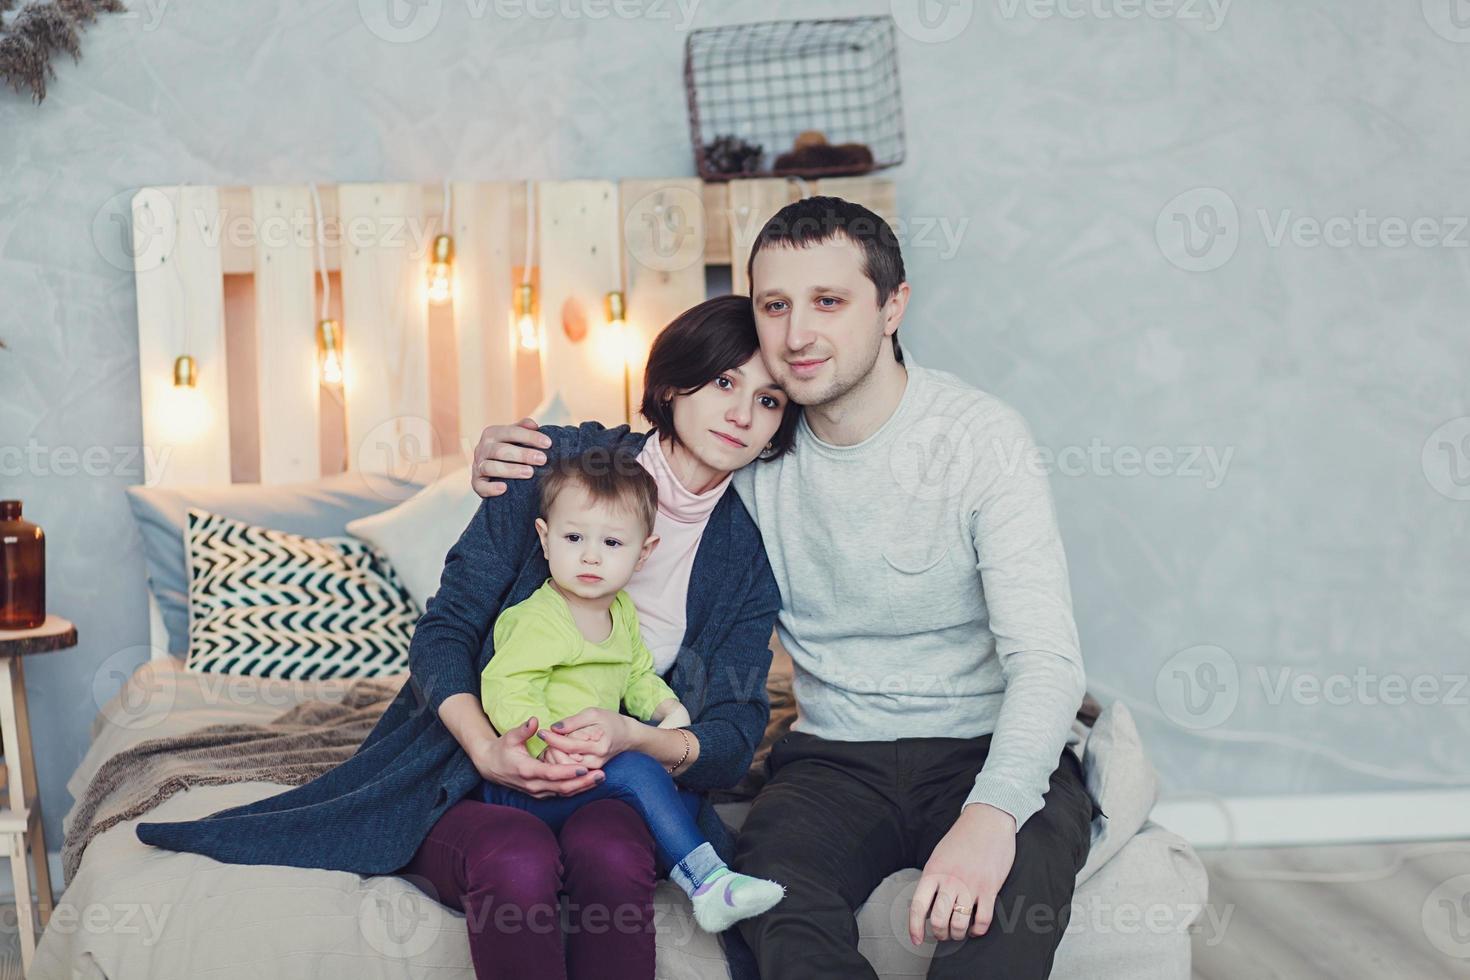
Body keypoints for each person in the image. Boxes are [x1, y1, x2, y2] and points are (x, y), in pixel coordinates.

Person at [470, 195, 1102, 980]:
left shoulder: (980, 440)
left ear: (893, 306)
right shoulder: (756, 449)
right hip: (833, 760)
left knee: (1001, 926)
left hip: (982, 742)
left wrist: (993, 814)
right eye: (775, 305)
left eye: (829, 302)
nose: (797, 335)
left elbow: (1047, 661)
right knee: (779, 913)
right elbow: (635, 461)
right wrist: (522, 450)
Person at [137, 293, 799, 980]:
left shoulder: (748, 551)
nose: (742, 413)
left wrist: (639, 738)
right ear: (670, 382)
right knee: (517, 858)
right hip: (475, 769)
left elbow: (734, 730)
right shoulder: (556, 464)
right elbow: (444, 634)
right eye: (725, 381)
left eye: (771, 400)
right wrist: (487, 749)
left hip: (618, 782)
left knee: (614, 855)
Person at [476, 449, 787, 932]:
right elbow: (507, 688)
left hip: (587, 771)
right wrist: (542, 747)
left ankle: (706, 865)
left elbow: (636, 673)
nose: (591, 555)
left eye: (613, 542)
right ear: (545, 538)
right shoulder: (539, 618)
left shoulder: (620, 612)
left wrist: (667, 708)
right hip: (531, 782)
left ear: (644, 552)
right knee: (641, 771)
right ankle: (709, 883)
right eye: (574, 537)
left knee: (681, 800)